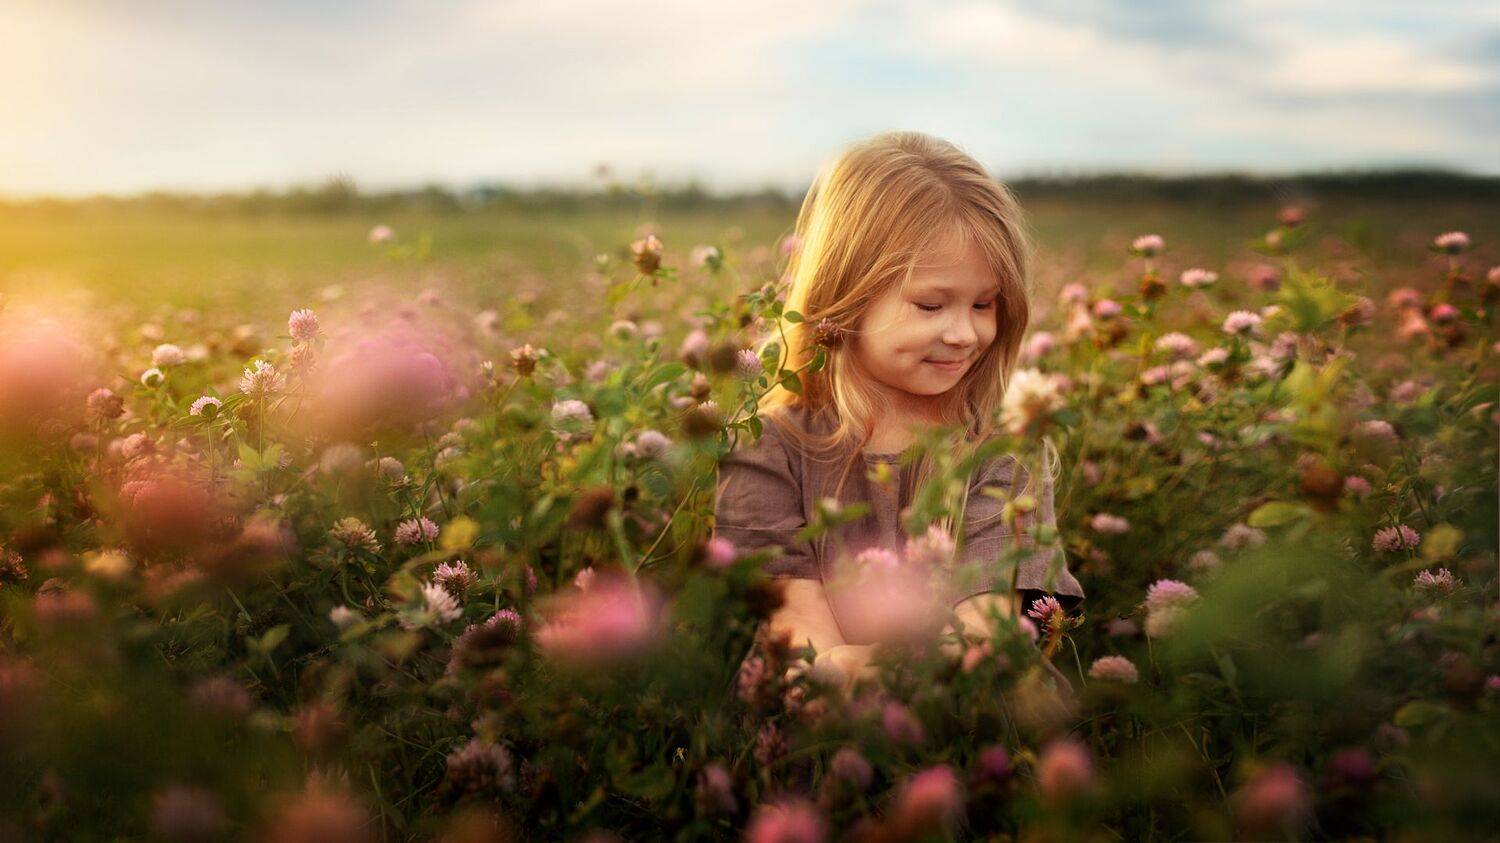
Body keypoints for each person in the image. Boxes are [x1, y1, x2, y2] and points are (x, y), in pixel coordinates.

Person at [713, 131, 1085, 692]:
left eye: (984, 305)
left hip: (968, 697)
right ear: (846, 294)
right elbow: (790, 612)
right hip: (813, 692)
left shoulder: (1000, 445)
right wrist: (835, 678)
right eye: (931, 305)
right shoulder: (769, 443)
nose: (964, 334)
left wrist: (896, 679)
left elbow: (989, 619)